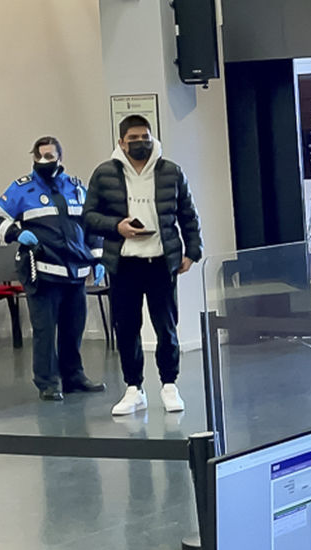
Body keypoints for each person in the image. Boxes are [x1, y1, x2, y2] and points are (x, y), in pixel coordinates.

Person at [84, 114, 203, 416]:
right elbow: (89, 217)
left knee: (166, 327)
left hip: (161, 263)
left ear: (153, 138)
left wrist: (193, 252)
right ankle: (133, 388)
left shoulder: (171, 171)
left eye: (145, 138)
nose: (140, 143)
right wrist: (117, 226)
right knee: (127, 328)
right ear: (121, 143)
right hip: (124, 264)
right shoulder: (104, 173)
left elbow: (188, 215)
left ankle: (169, 385)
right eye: (133, 139)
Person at [0, 136, 105, 401]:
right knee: (45, 331)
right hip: (42, 272)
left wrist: (97, 259)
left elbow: (92, 225)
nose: (43, 161)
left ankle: (73, 377)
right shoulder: (22, 188)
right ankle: (48, 383)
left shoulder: (76, 187)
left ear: (60, 158)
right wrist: (16, 233)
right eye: (38, 156)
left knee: (73, 329)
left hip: (74, 272)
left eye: (49, 156)